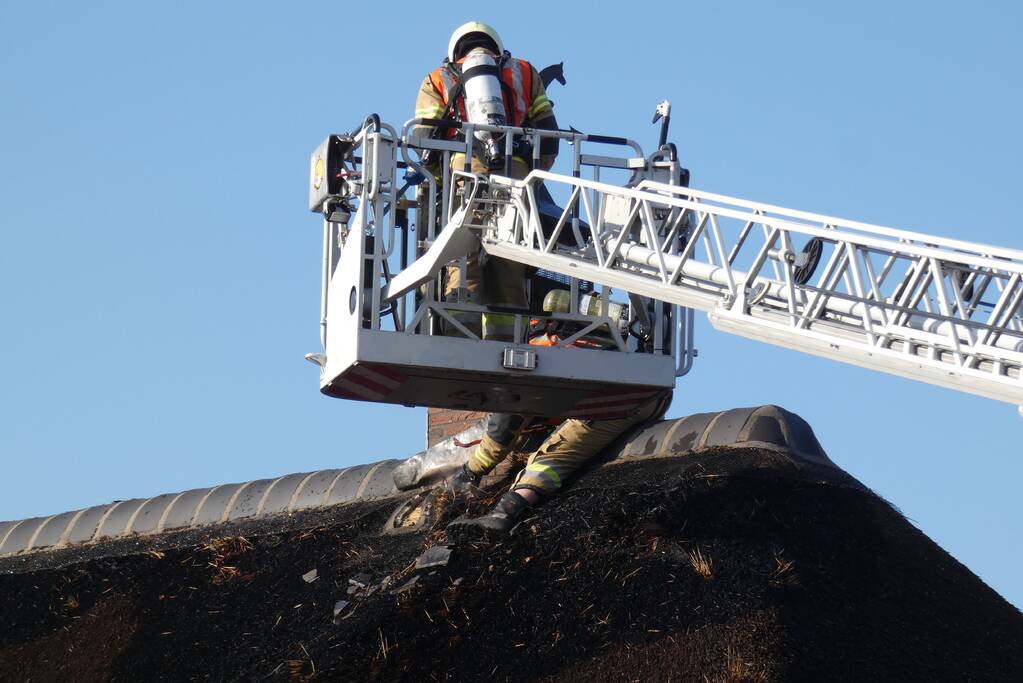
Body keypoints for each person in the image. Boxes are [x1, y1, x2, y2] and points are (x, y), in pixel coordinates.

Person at [414, 20, 559, 340]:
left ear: (455, 51)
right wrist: (531, 173)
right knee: (510, 257)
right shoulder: (525, 72)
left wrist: (438, 181)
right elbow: (550, 137)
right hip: (516, 174)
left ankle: (458, 337)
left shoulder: (438, 78)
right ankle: (507, 341)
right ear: (497, 46)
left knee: (462, 253)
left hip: (465, 171)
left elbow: (423, 140)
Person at [446, 392, 673, 539]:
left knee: (549, 458)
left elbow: (504, 427)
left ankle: (504, 513)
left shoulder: (533, 352)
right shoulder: (573, 336)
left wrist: (472, 470)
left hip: (614, 402)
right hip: (653, 396)